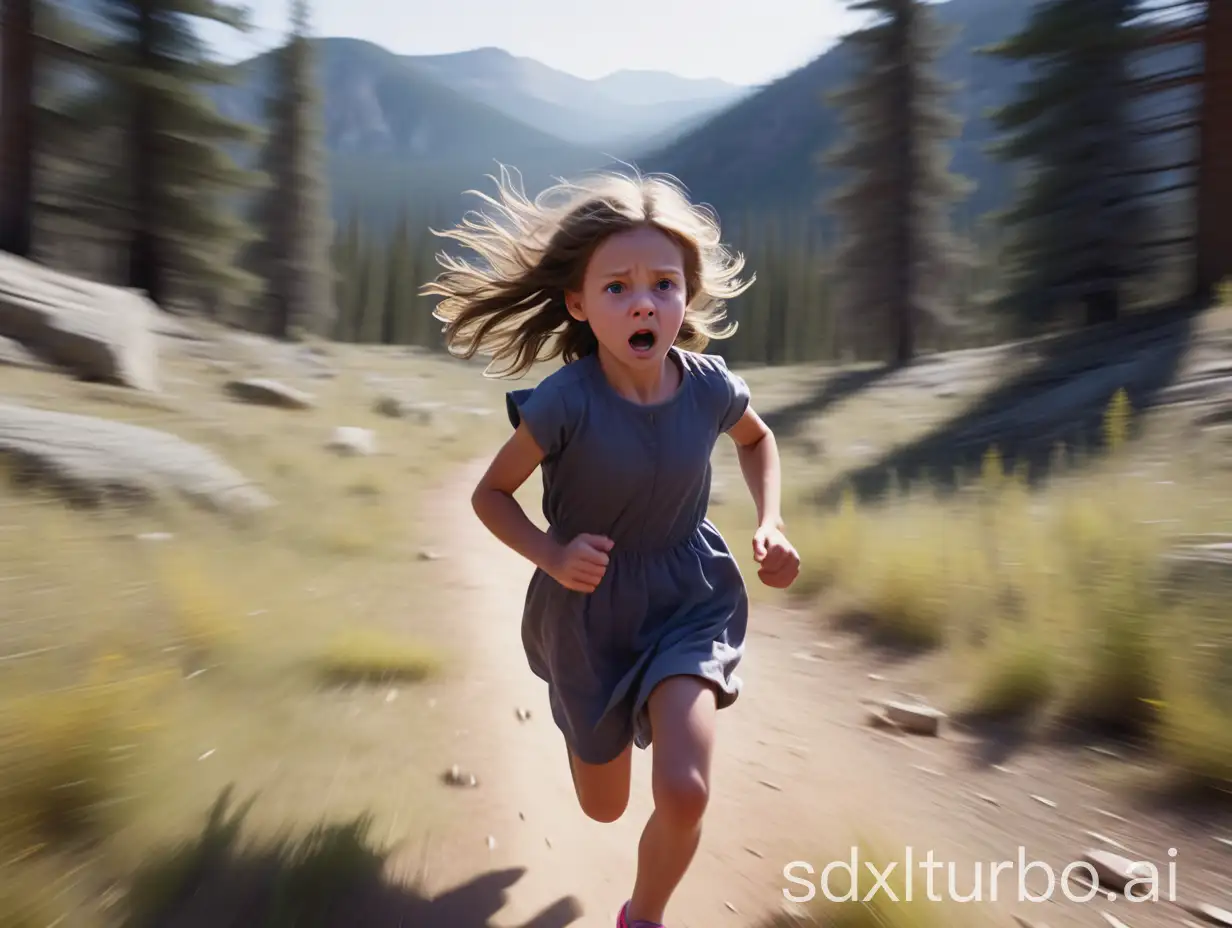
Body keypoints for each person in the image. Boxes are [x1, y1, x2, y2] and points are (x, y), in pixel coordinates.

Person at [423, 166, 801, 928]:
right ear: (579, 303)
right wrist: (552, 555)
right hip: (587, 613)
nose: (643, 303)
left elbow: (759, 443)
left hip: (688, 597)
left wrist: (772, 521)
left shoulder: (709, 387)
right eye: (618, 287)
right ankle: (585, 727)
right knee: (604, 807)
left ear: (685, 299)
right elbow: (489, 496)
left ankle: (644, 916)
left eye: (663, 284)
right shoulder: (565, 402)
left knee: (686, 792)